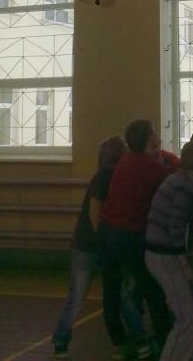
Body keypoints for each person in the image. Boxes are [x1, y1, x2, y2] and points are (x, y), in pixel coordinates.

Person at [51, 135, 148, 359]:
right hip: (94, 244)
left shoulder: (107, 177)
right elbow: (94, 213)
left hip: (90, 243)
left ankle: (61, 341)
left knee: (86, 296)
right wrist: (105, 241)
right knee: (110, 295)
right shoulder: (105, 178)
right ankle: (140, 338)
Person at [97, 120, 180, 358]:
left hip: (107, 232)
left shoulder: (125, 161)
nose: (158, 145)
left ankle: (120, 342)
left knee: (112, 290)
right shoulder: (153, 169)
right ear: (146, 142)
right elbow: (174, 182)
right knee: (152, 289)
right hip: (127, 236)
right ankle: (165, 341)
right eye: (154, 142)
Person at [145, 140, 193, 361]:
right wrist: (185, 266)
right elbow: (175, 228)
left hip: (158, 252)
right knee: (188, 318)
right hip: (164, 255)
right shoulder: (185, 190)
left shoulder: (178, 180)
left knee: (187, 312)